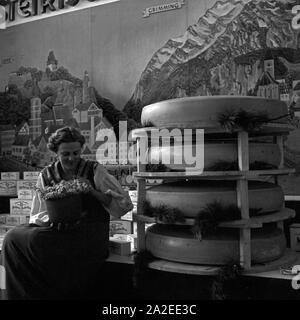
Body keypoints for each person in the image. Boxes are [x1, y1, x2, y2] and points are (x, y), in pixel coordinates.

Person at [0, 126, 133, 300]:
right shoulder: (46, 175)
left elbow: (122, 206)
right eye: (66, 154)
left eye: (76, 153)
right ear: (56, 152)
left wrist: (92, 191)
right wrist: (52, 220)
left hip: (88, 235)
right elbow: (37, 213)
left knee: (28, 239)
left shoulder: (94, 171)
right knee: (11, 238)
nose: (72, 158)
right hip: (58, 232)